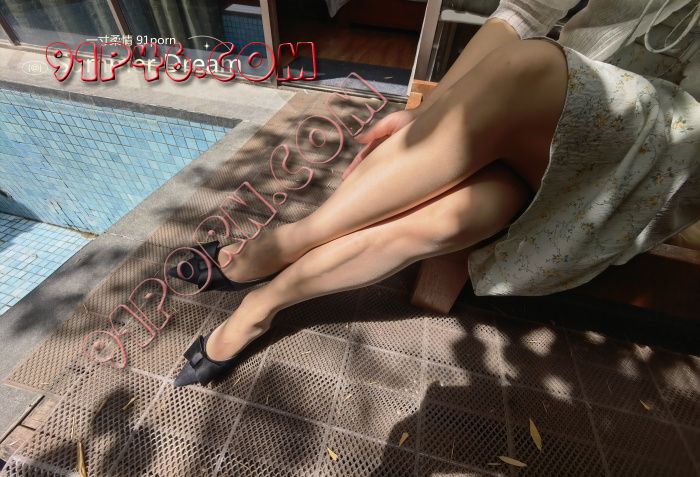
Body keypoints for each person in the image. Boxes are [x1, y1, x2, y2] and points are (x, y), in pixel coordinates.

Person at [172, 0, 700, 387]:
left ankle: (282, 246)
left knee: (533, 64)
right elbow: (524, 12)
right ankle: (264, 304)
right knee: (446, 221)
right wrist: (432, 110)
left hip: (644, 165)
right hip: (539, 117)